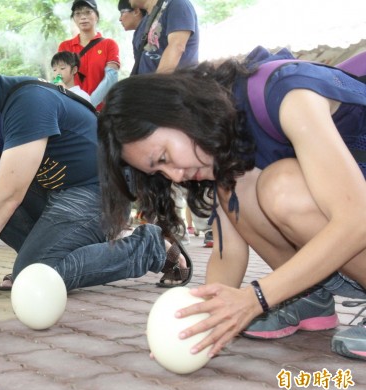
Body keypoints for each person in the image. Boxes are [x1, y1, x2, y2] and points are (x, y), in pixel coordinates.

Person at [0, 20, 191, 307]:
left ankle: (148, 246)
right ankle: (41, 262)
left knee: (33, 273)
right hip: (53, 198)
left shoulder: (26, 101)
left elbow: (8, 195)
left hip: (97, 193)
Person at [96, 49, 366, 361]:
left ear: (179, 113)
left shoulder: (286, 93)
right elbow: (227, 253)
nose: (174, 175)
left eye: (164, 158)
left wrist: (256, 299)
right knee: (238, 187)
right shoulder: (222, 144)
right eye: (158, 172)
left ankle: (296, 288)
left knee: (281, 187)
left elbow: (356, 220)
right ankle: (307, 295)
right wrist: (204, 323)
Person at [58, 0, 120, 109]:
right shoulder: (65, 47)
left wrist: (89, 105)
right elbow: (58, 78)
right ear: (74, 18)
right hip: (73, 110)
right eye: (78, 13)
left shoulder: (109, 44)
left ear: (96, 16)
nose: (83, 17)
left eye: (88, 12)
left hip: (102, 111)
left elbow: (111, 78)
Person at [130, 0, 199, 75]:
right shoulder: (143, 23)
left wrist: (157, 83)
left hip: (175, 84)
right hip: (149, 84)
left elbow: (177, 46)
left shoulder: (177, 4)